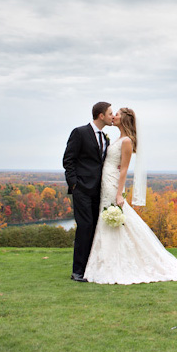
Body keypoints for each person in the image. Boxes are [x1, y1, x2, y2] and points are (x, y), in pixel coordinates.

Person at [83, 107, 177, 285]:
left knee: (115, 217)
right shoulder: (117, 138)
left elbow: (125, 168)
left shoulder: (126, 141)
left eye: (117, 114)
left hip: (112, 185)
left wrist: (119, 193)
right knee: (108, 219)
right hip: (106, 182)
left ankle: (117, 262)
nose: (114, 117)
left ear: (124, 120)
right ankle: (105, 260)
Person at [63, 101, 114, 282]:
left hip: (99, 191)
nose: (112, 116)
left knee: (94, 229)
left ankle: (90, 269)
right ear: (101, 115)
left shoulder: (105, 137)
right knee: (84, 228)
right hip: (82, 190)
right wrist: (74, 185)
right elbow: (68, 160)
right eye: (110, 113)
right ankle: (78, 271)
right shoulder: (80, 132)